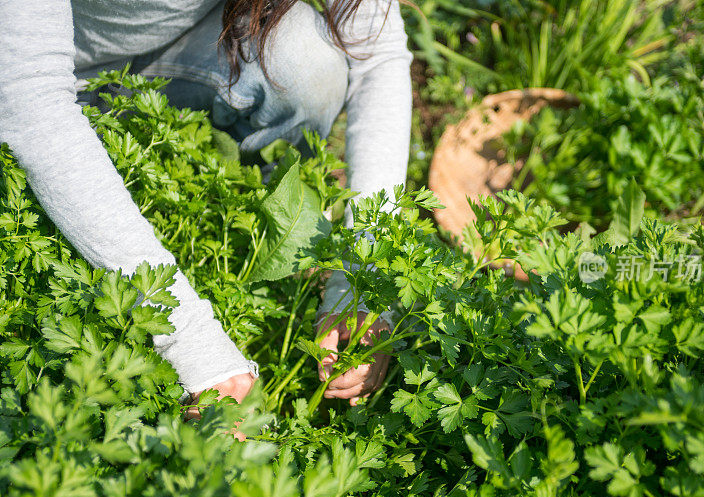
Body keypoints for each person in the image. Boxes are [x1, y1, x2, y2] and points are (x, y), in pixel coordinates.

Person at [0, 0, 411, 413]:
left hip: (176, 51)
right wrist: (192, 344)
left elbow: (377, 57)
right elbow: (29, 99)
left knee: (306, 63)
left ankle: (275, 235)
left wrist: (361, 283)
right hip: (28, 73)